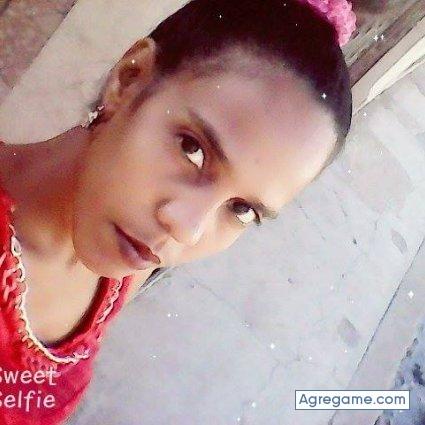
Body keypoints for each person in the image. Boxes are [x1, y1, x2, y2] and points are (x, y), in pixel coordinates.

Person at [0, 0, 357, 423]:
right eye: (193, 149)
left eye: (242, 210)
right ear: (129, 79)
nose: (186, 229)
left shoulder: (124, 263)